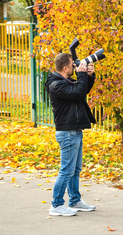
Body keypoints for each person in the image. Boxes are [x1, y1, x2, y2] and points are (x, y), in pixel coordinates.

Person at [45, 53, 96, 216]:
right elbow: (78, 93)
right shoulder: (55, 84)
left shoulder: (64, 81)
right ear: (65, 68)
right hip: (67, 131)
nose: (75, 66)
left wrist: (88, 76)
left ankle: (74, 200)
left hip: (74, 129)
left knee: (75, 169)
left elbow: (82, 89)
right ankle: (56, 204)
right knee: (67, 169)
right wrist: (81, 74)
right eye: (73, 65)